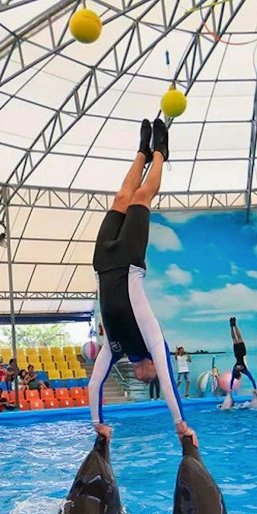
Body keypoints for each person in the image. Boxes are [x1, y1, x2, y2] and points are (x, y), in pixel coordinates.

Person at [86, 118, 194, 444]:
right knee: (142, 196)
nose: (144, 377)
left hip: (103, 263)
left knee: (121, 197)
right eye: (149, 378)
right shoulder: (152, 341)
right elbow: (169, 378)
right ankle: (160, 151)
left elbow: (94, 385)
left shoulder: (115, 347)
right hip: (130, 261)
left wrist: (97, 423)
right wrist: (181, 425)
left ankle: (141, 152)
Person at [222, 318, 257, 410]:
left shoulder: (243, 369)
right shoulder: (235, 369)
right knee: (235, 339)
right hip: (237, 354)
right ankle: (233, 326)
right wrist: (255, 389)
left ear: (239, 375)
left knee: (238, 339)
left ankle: (233, 325)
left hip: (242, 353)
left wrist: (230, 390)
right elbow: (233, 379)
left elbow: (251, 378)